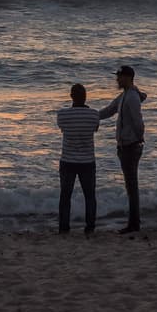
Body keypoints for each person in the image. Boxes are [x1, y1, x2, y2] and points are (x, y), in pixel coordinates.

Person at [99, 65, 147, 233]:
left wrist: (139, 140)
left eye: (119, 76)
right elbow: (109, 110)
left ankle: (134, 224)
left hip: (130, 146)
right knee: (130, 185)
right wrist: (90, 116)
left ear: (127, 78)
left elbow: (138, 122)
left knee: (131, 186)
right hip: (126, 146)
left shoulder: (132, 97)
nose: (117, 79)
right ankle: (134, 223)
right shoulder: (124, 96)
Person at [54, 82, 101, 234]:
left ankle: (64, 227)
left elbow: (62, 129)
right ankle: (90, 227)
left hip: (68, 160)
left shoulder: (62, 114)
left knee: (65, 196)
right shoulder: (94, 114)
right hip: (87, 161)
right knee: (90, 196)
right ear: (86, 97)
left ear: (71, 97)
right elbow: (95, 129)